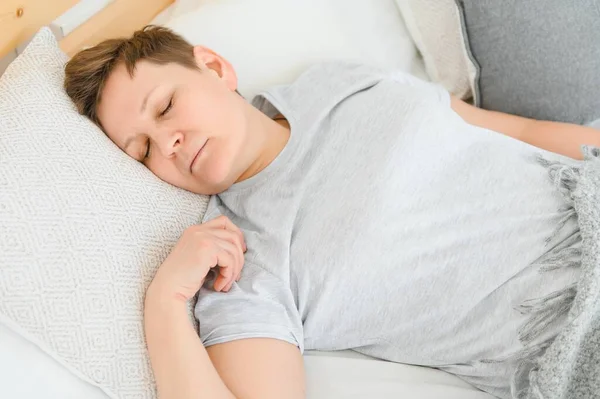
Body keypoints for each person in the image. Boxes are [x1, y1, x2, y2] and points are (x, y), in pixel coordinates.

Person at [63, 25, 596, 399]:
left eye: (165, 108)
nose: (168, 143)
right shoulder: (242, 262)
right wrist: (164, 301)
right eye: (143, 150)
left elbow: (514, 132)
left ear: (213, 67)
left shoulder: (337, 82)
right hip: (576, 334)